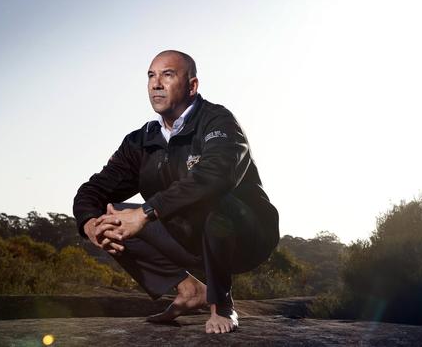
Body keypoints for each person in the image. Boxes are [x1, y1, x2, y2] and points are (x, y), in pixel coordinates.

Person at [72, 50, 279, 334]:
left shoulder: (218, 121)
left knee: (213, 201)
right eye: (151, 76)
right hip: (188, 238)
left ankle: (223, 305)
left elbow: (216, 177)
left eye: (167, 75)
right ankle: (189, 290)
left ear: (192, 86)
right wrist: (88, 223)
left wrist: (145, 212)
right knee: (112, 218)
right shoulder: (140, 141)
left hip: (246, 236)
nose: (156, 84)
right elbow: (93, 190)